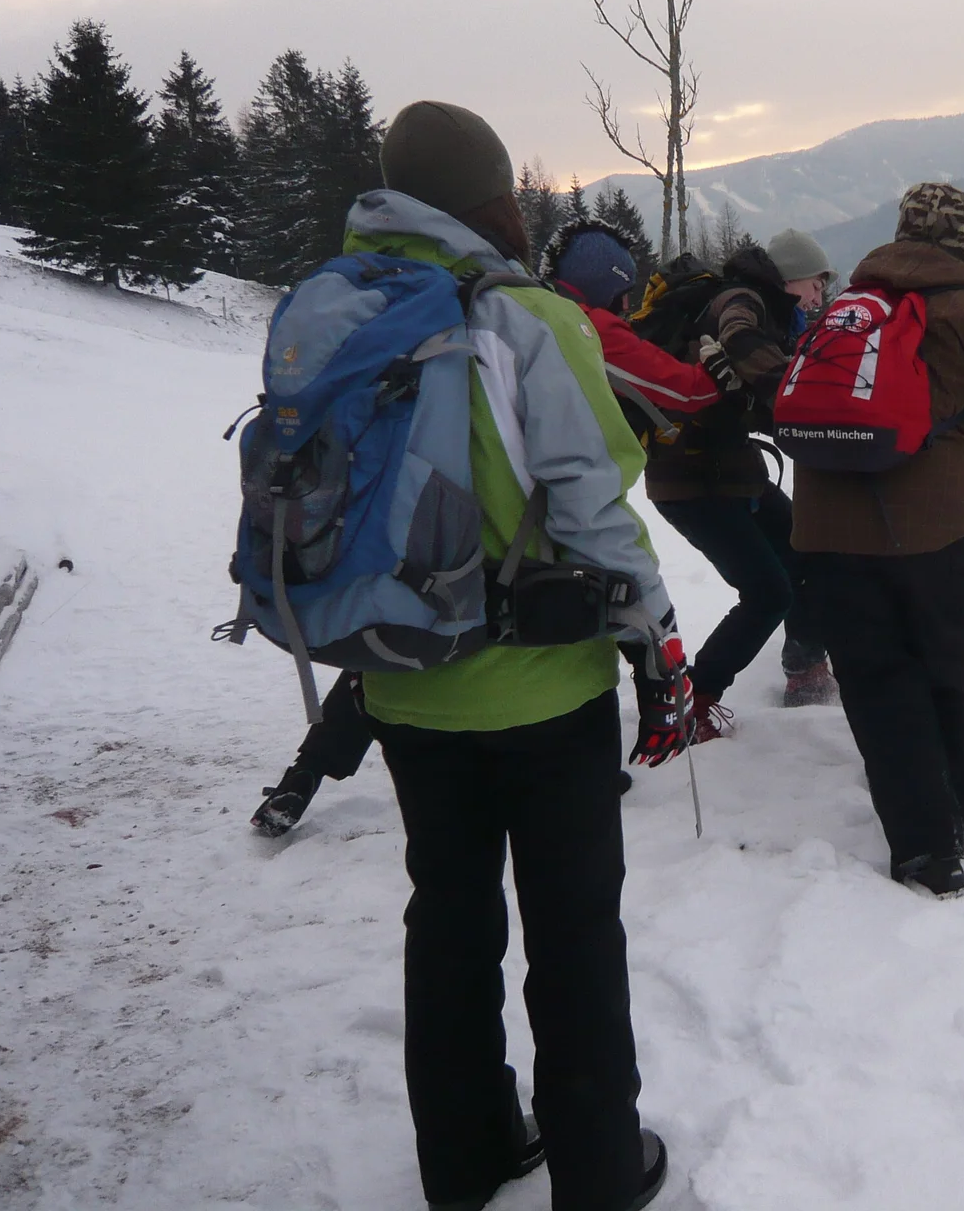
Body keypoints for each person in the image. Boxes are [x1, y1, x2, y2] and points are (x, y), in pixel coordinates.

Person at [348, 100, 672, 1211]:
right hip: (542, 688)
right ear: (488, 199)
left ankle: (469, 1153)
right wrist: (654, 640)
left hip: (401, 677)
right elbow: (597, 495)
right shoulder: (528, 319)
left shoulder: (338, 307)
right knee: (574, 930)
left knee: (446, 917)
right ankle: (597, 1169)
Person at [248, 220, 733, 839]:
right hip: (526, 560)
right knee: (574, 607)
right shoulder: (566, 324)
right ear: (607, 286)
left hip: (407, 521)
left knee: (395, 632)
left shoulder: (437, 309)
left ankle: (302, 778)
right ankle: (597, 766)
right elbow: (670, 411)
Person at [791, 184, 964, 897]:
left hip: (825, 531)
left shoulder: (847, 310)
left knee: (873, 683)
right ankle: (952, 819)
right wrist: (959, 480)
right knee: (939, 668)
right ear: (963, 240)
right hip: (929, 532)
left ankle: (919, 844)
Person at [643, 228, 838, 739]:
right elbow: (739, 339)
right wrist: (793, 400)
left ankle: (804, 667)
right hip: (692, 481)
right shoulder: (743, 300)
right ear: (791, 275)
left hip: (732, 472)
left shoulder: (770, 310)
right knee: (766, 592)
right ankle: (694, 703)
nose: (819, 298)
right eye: (815, 285)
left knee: (807, 552)